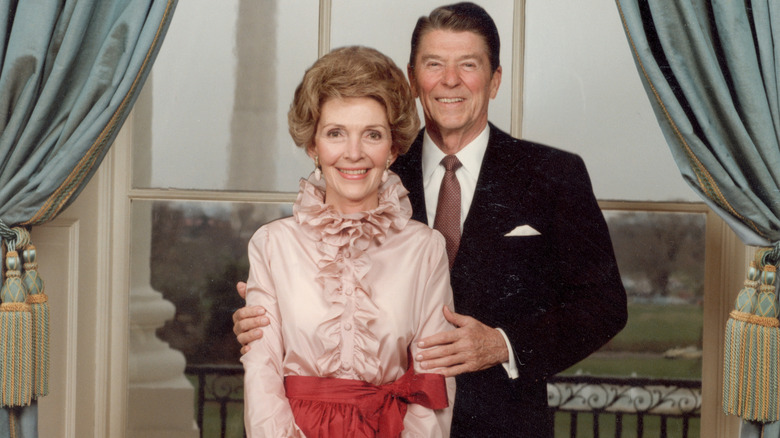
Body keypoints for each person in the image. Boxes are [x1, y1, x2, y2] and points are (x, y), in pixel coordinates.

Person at [235, 3, 627, 436]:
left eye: (468, 64)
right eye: (434, 64)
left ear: (495, 79)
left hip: (503, 423)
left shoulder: (552, 175)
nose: (450, 80)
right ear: (412, 78)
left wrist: (503, 345)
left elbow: (604, 307)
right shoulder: (370, 168)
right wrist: (277, 313)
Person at [241, 45, 456, 437]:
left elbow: (434, 377)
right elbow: (261, 371)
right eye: (335, 133)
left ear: (392, 148)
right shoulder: (271, 245)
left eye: (372, 135)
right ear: (313, 146)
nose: (353, 154)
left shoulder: (426, 249)